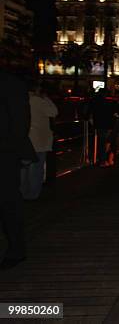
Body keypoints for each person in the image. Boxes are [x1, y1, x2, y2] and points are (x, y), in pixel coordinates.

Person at [0, 69, 37, 269]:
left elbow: (20, 123)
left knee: (8, 201)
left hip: (5, 153)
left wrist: (16, 150)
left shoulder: (10, 84)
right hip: (8, 150)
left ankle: (16, 248)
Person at [20, 81, 59, 200]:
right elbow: (54, 112)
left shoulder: (21, 99)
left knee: (24, 168)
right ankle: (32, 194)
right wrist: (46, 98)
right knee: (36, 169)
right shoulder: (39, 101)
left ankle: (22, 192)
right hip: (39, 140)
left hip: (24, 139)